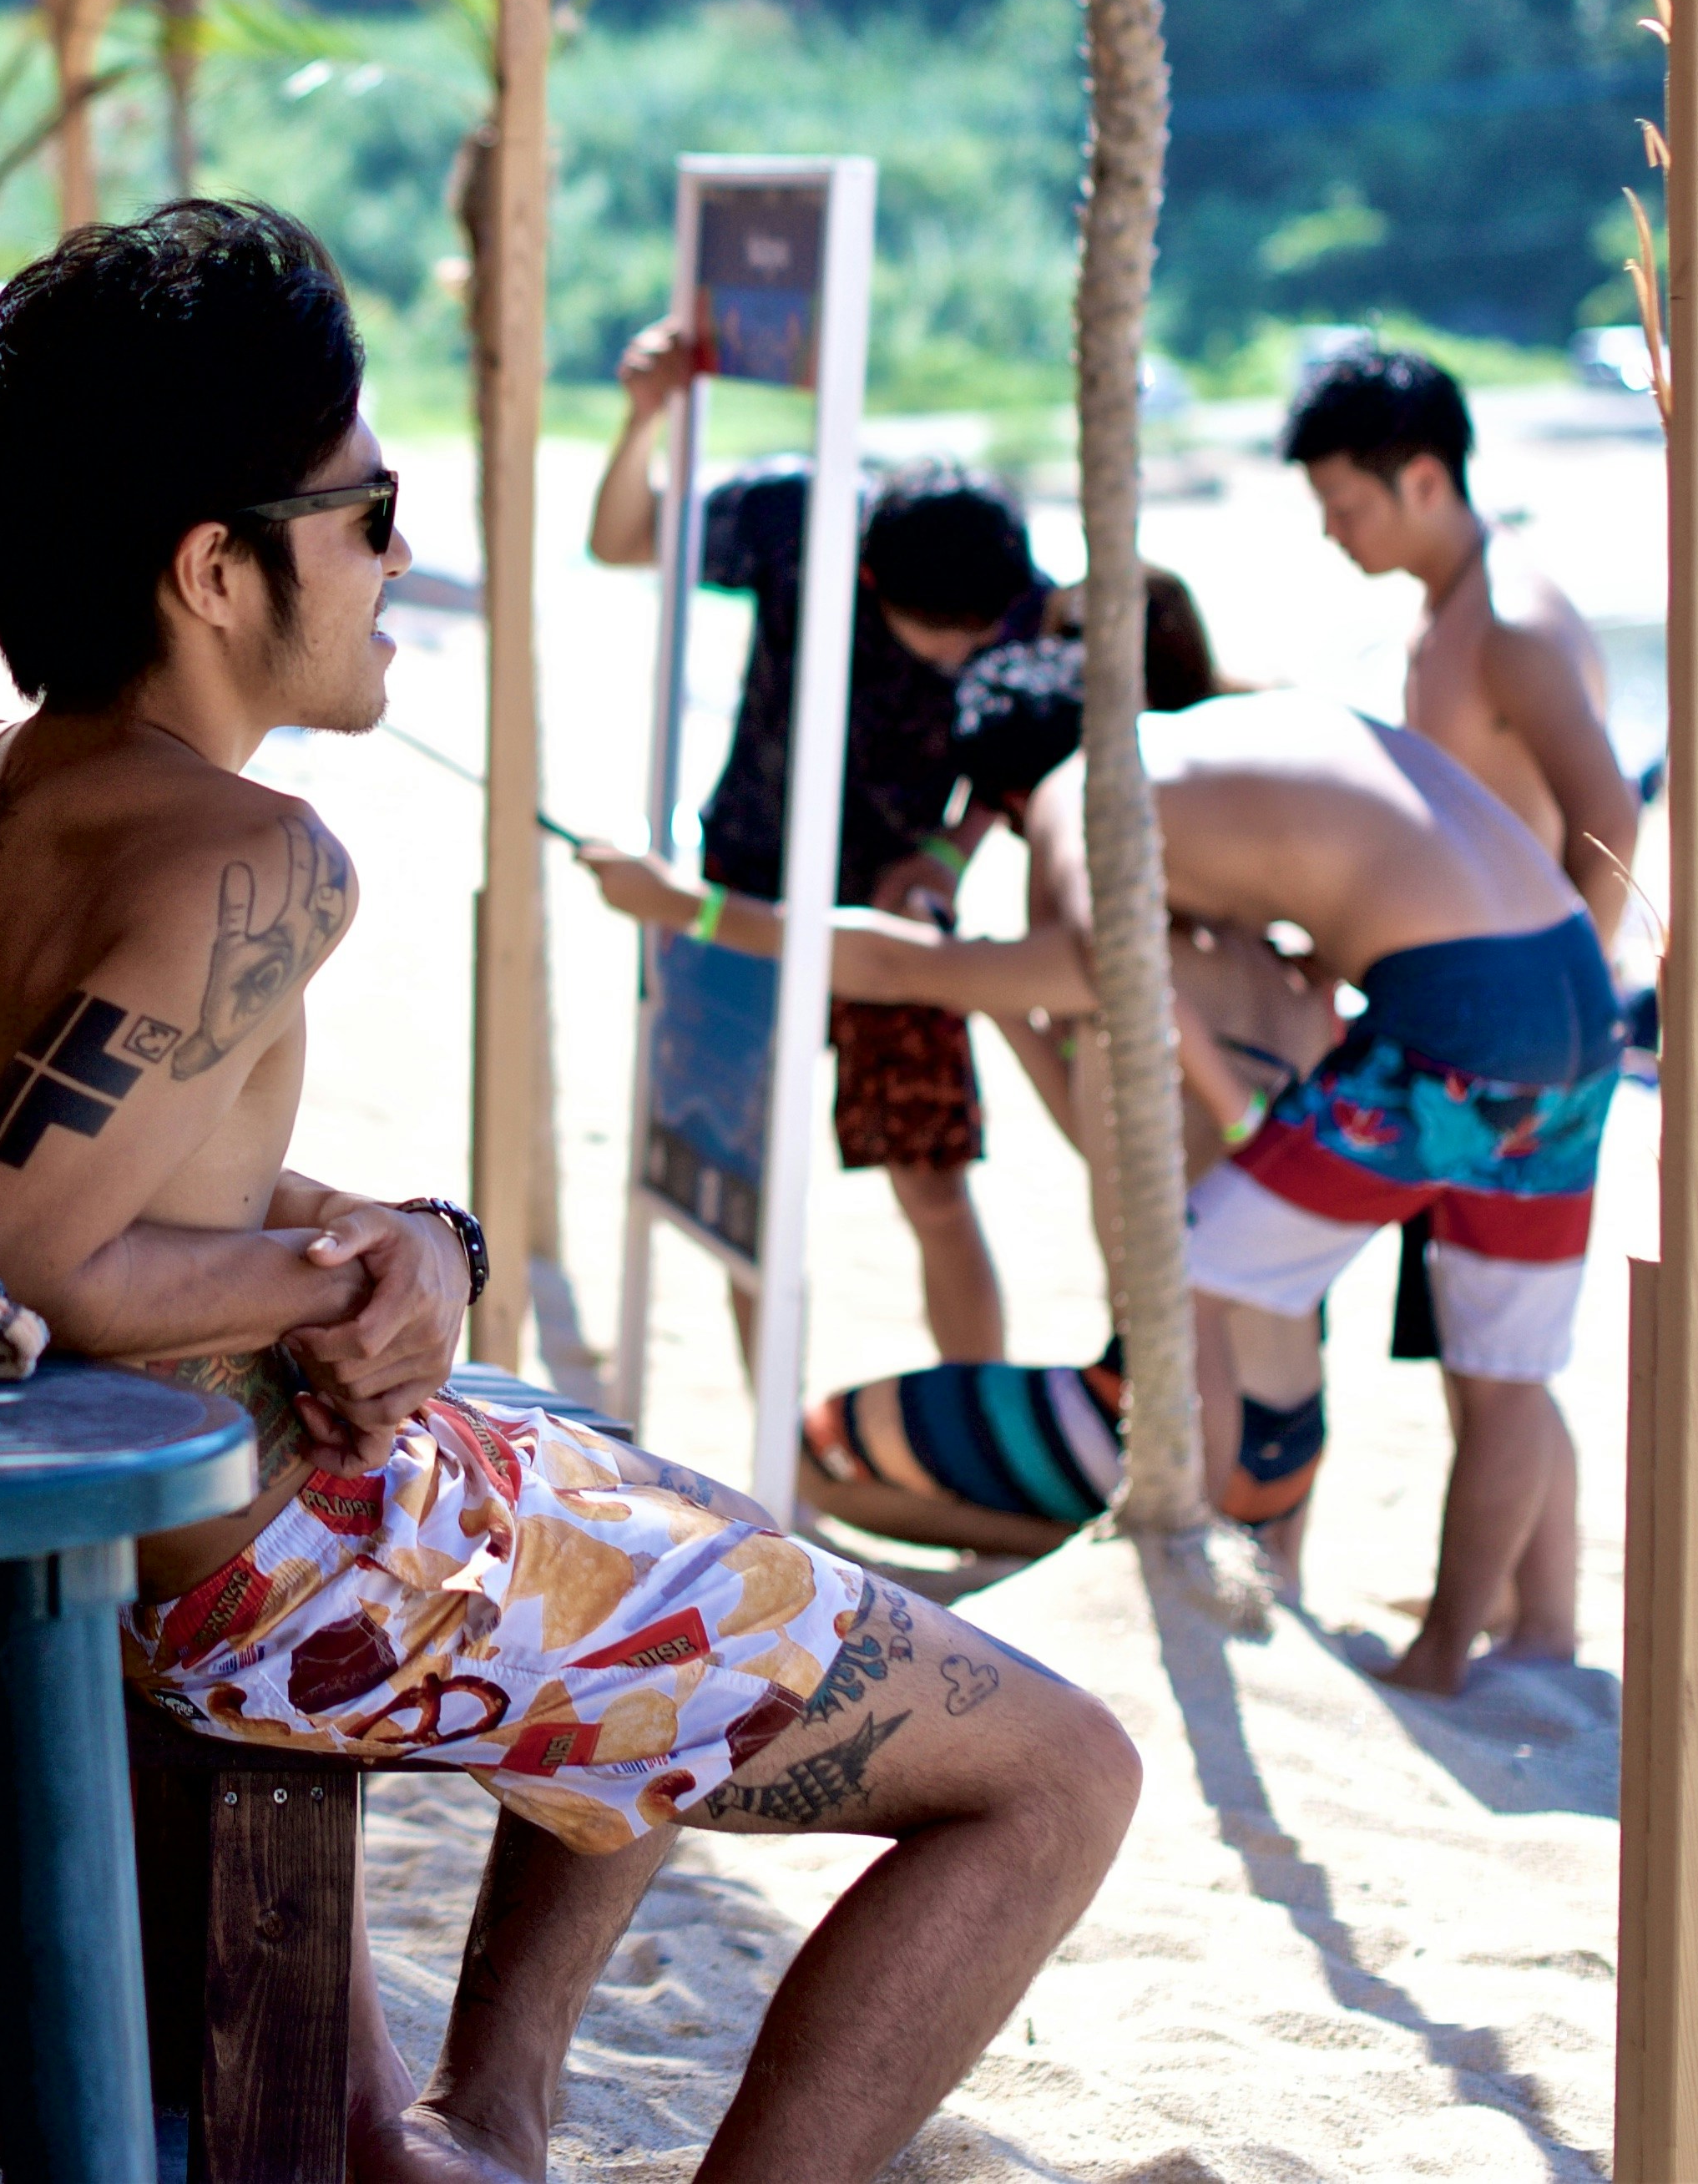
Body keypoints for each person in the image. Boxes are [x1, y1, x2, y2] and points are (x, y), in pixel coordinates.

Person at [0, 203, 1134, 2184]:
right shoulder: (251, 860)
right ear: (213, 567)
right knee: (1054, 1774)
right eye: (367, 509)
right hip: (249, 1577)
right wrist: (324, 1277)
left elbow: (50, 1142)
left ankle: (487, 2118)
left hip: (73, 1553)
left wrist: (383, 1245)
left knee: (617, 1476)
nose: (397, 555)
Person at [582, 680, 1620, 1700]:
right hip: (1579, 987)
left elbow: (1029, 959)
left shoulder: (1090, 790)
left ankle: (1184, 1559)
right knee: (1503, 1366)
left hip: (1457, 1006)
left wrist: (689, 904)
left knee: (1191, 1272)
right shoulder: (1237, 748)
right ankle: (1456, 1656)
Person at [587, 324, 1044, 1359]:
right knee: (749, 1192)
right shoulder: (798, 520)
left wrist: (949, 854)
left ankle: (972, 1442)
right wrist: (645, 415)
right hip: (743, 894)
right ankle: (777, 1473)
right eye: (949, 640)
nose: (972, 653)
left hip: (898, 926)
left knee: (933, 1187)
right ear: (877, 586)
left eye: (986, 635)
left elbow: (1019, 763)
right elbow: (622, 539)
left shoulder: (1010, 591)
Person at [1281, 345, 1637, 950]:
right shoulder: (1453, 598)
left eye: (1344, 508)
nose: (1329, 531)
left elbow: (1610, 822)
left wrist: (1575, 1000)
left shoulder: (1510, 626)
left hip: (1521, 992)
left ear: (1424, 482)